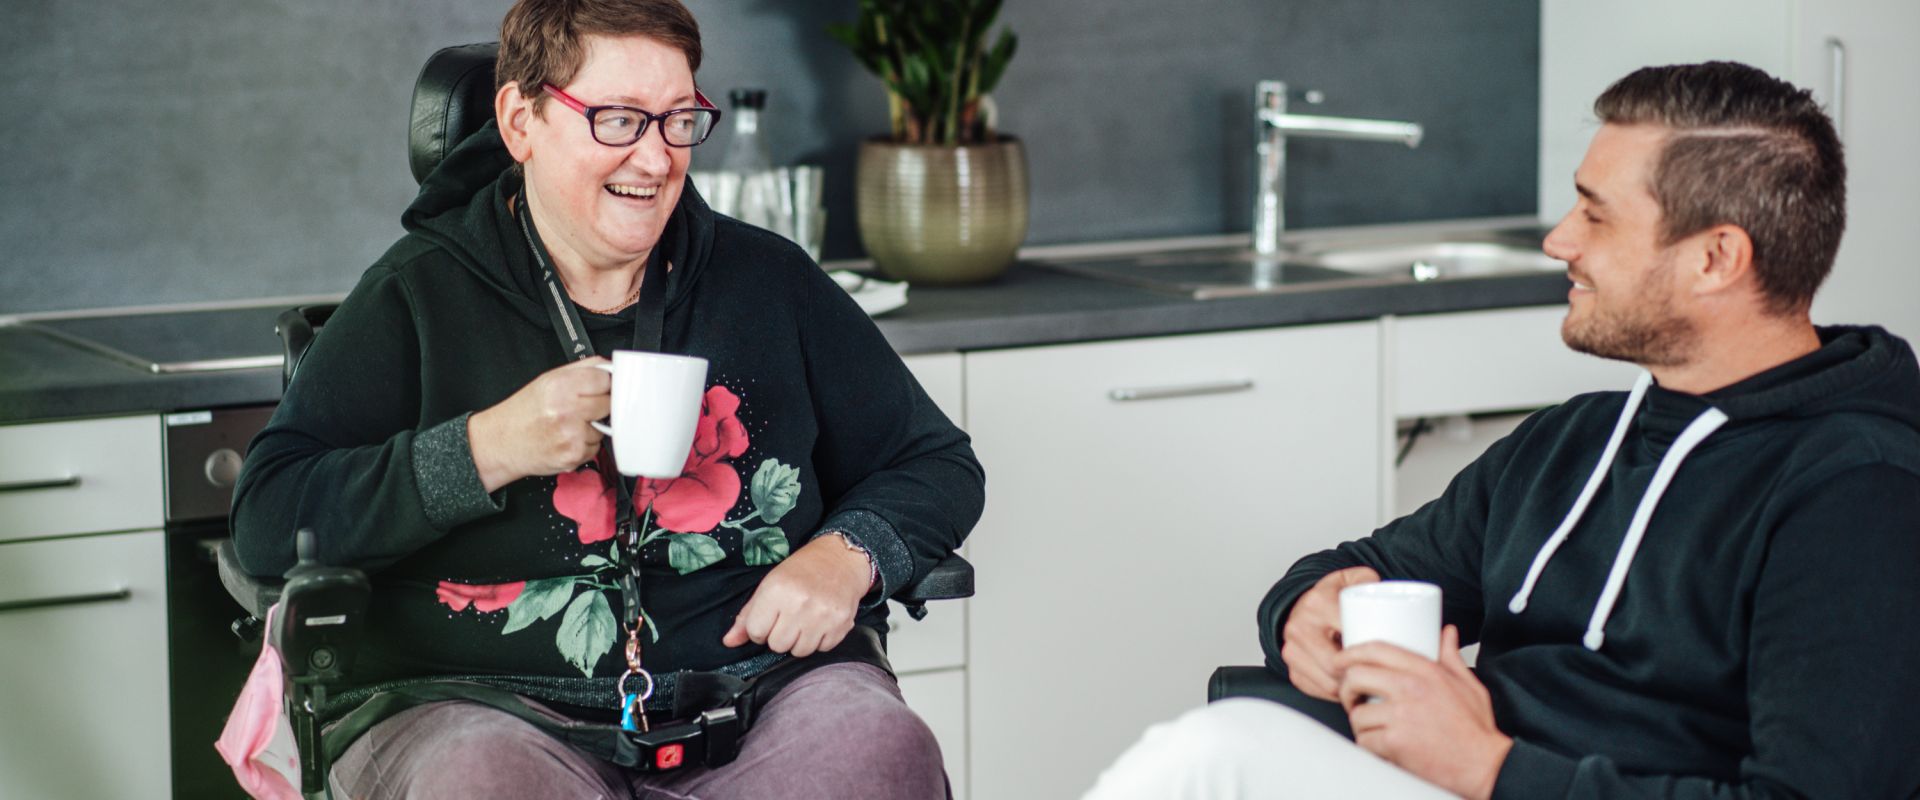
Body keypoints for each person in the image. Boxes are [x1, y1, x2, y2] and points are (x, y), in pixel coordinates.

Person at [1085, 61, 1920, 799]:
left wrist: (1488, 768)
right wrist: (1306, 609)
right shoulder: (1573, 441)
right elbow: (1369, 569)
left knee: (1217, 756)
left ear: (1715, 259)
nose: (1559, 241)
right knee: (1222, 749)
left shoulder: (1859, 491)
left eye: (1596, 216)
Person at [229, 0, 983, 796]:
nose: (655, 160)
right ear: (521, 122)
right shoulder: (416, 294)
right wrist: (487, 448)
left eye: (678, 121)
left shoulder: (770, 282)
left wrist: (848, 556)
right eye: (618, 120)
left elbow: (933, 460)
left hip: (753, 696)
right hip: (478, 704)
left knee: (880, 749)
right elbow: (270, 517)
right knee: (484, 782)